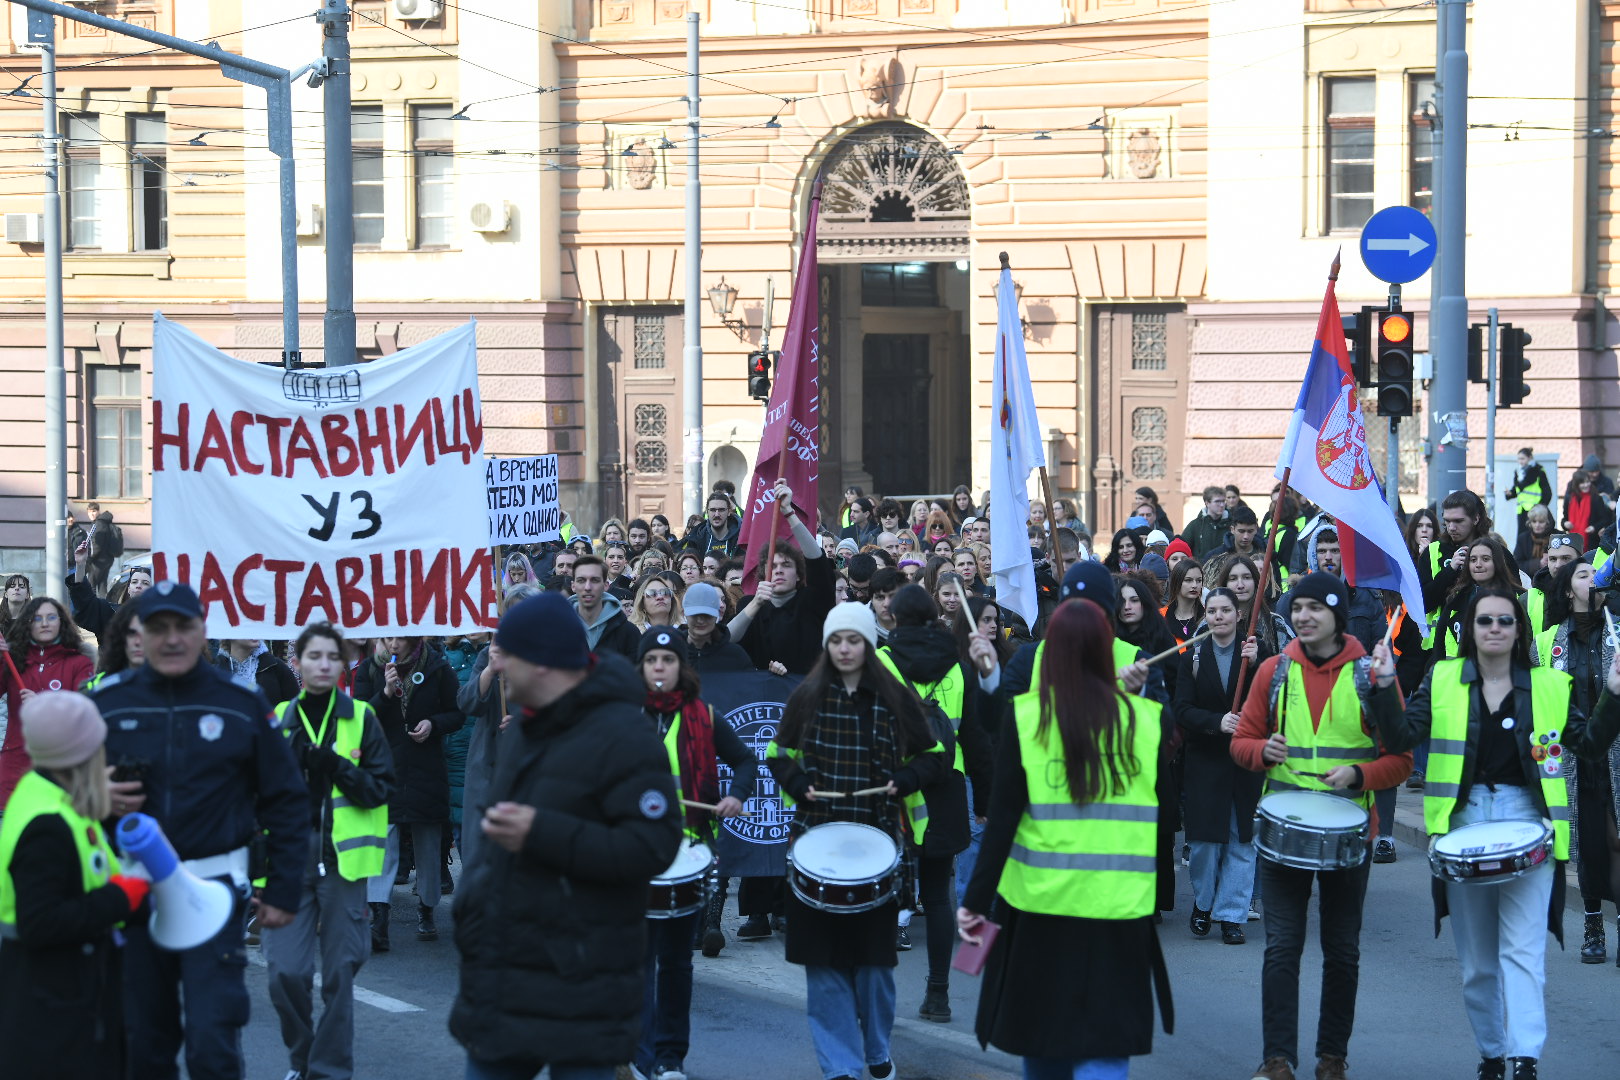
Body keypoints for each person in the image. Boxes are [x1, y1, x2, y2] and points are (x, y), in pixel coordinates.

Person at [1371, 586, 1620, 1080]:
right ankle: (1491, 1054)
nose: (1495, 629)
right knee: (1479, 966)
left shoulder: (1551, 685)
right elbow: (1400, 738)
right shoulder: (1443, 678)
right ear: (1470, 628)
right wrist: (1382, 687)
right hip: (1463, 827)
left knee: (1523, 954)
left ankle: (1525, 1059)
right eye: (1485, 620)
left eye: (1506, 620)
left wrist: (1613, 694)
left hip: (1529, 825)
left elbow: (1591, 745)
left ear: (1519, 629)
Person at [449, 592, 682, 1080]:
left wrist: (542, 833)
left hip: (584, 984)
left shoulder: (626, 735)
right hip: (505, 980)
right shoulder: (524, 726)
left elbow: (653, 846)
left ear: (541, 662)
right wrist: (471, 919)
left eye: (508, 655)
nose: (499, 667)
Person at [92, 581, 308, 1080]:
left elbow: (285, 798)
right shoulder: (108, 703)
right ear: (140, 633)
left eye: (183, 626)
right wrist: (93, 795)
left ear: (202, 631)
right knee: (143, 1046)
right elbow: (63, 797)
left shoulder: (241, 702)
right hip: (132, 892)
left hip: (215, 890)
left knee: (213, 1045)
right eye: (159, 627)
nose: (171, 638)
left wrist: (283, 888)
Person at [957, 599, 1173, 1080]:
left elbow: (1002, 819)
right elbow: (1161, 812)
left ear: (1049, 652)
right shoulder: (1144, 720)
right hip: (1120, 906)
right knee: (1107, 1043)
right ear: (1105, 651)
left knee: (1042, 1038)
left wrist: (973, 901)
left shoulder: (1025, 718)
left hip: (1040, 907)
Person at [1228, 572, 1412, 1080]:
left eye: (1315, 608)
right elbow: (1240, 743)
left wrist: (1360, 775)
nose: (1304, 616)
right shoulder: (1274, 671)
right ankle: (1277, 1060)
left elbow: (1401, 760)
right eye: (1298, 607)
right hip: (1282, 834)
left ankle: (1332, 1058)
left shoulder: (1370, 676)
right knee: (1282, 948)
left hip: (1349, 837)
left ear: (1337, 615)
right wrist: (1261, 751)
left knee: (1342, 950)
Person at [767, 604, 948, 1080]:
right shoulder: (806, 697)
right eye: (836, 640)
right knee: (824, 967)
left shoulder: (894, 697)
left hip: (879, 845)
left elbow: (933, 756)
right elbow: (777, 755)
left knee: (873, 968)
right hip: (816, 845)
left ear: (868, 645)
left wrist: (904, 779)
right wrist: (797, 782)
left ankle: (875, 1047)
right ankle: (840, 1067)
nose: (844, 649)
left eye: (854, 640)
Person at [264, 623, 395, 1080]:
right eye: (313, 656)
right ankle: (303, 1060)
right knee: (284, 973)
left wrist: (337, 766)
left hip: (343, 864)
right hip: (287, 864)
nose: (323, 665)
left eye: (331, 657)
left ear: (343, 663)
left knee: (340, 973)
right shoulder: (279, 717)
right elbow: (255, 790)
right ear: (296, 663)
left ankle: (329, 1070)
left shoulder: (362, 717)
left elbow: (381, 788)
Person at [0, 692, 150, 1079]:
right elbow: (40, 921)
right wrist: (120, 897)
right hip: (55, 1011)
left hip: (56, 997)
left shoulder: (43, 793)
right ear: (83, 753)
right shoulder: (48, 824)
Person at [633, 626, 758, 1079]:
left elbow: (745, 760)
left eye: (668, 660)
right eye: (651, 660)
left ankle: (670, 1057)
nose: (659, 668)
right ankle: (641, 1055)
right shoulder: (623, 717)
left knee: (676, 962)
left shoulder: (704, 715)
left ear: (680, 667)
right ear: (641, 667)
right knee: (638, 961)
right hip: (633, 852)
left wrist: (736, 795)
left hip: (689, 852)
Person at [877, 585, 995, 1023]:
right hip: (947, 785)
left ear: (895, 617)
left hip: (894, 788)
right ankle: (938, 995)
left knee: (882, 896)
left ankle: (878, 993)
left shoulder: (880, 662)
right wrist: (984, 799)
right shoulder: (959, 667)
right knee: (937, 896)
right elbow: (976, 738)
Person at [1534, 560, 1620, 965]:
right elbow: (1537, 703)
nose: (1594, 578)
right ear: (1568, 590)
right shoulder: (1547, 640)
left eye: (1596, 574)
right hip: (1574, 759)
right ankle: (1592, 925)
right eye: (1584, 575)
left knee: (1617, 841)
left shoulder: (1617, 632)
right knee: (1588, 844)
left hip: (1615, 755)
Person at [355, 634, 463, 947]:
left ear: (414, 638)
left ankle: (427, 908)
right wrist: (385, 694)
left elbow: (456, 713)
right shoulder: (370, 669)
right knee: (382, 843)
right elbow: (359, 717)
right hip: (384, 766)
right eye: (388, 638)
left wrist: (433, 724)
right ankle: (379, 917)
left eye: (401, 638)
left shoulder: (437, 667)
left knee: (427, 842)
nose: (394, 644)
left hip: (425, 767)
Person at [1173, 588, 1267, 944]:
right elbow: (1182, 709)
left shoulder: (1255, 653)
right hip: (1206, 762)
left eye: (1225, 610)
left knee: (1241, 841)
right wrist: (1216, 721)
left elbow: (1273, 698)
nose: (1219, 616)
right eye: (1212, 611)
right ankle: (1203, 904)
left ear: (1238, 614)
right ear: (1206, 615)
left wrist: (1258, 663)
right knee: (1204, 844)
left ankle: (1231, 915)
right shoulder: (1193, 657)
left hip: (1245, 761)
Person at [729, 478, 838, 678]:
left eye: (786, 565)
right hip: (765, 694)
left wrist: (789, 512)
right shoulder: (749, 605)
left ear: (798, 575)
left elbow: (817, 560)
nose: (778, 570)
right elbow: (726, 641)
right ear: (763, 573)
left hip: (806, 689)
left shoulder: (812, 601)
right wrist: (756, 604)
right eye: (772, 566)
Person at [0, 597, 95, 807]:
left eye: (51, 617)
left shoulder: (79, 662)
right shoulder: (13, 660)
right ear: (28, 623)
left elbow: (84, 711)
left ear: (61, 621)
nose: (44, 623)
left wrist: (45, 706)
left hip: (62, 765)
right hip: (15, 765)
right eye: (37, 618)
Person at [570, 554, 643, 660]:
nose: (587, 587)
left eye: (594, 580)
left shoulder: (628, 632)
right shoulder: (560, 629)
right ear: (573, 586)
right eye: (581, 580)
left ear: (606, 585)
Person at [215, 637, 300, 708]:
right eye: (247, 627)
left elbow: (295, 708)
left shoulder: (276, 666)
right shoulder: (215, 669)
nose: (254, 633)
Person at [1563, 469, 1616, 556]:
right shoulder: (1569, 499)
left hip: (1591, 543)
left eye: (1587, 482)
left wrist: (1594, 527)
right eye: (1582, 483)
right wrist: (1565, 524)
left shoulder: (1596, 498)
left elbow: (1605, 519)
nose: (1586, 485)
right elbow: (1564, 519)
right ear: (1576, 484)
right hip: (1572, 543)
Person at [681, 492, 743, 559]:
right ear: (707, 512)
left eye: (721, 510)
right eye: (713, 510)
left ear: (729, 512)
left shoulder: (741, 538)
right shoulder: (696, 539)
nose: (717, 514)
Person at [84, 505, 123, 598]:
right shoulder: (105, 522)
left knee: (91, 586)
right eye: (89, 512)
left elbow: (96, 545)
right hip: (107, 559)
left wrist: (89, 559)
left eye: (94, 511)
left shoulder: (98, 524)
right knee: (102, 586)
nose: (91, 514)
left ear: (98, 511)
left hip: (98, 561)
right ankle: (103, 604)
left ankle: (93, 606)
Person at [1184, 486, 1232, 560]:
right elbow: (1183, 547)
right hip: (1201, 566)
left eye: (1223, 501)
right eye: (1217, 501)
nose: (1222, 505)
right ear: (1207, 503)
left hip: (1226, 565)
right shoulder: (1195, 525)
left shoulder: (1231, 525)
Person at [1165, 559, 1205, 643]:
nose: (1194, 585)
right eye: (1188, 580)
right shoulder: (1161, 617)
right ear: (1176, 582)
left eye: (1199, 580)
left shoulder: (1208, 617)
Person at [1514, 505, 1556, 578]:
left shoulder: (1557, 536)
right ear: (1530, 522)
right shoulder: (1523, 538)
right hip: (1529, 580)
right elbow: (1516, 564)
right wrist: (1538, 563)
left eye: (1541, 522)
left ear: (1548, 522)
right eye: (1534, 521)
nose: (1537, 525)